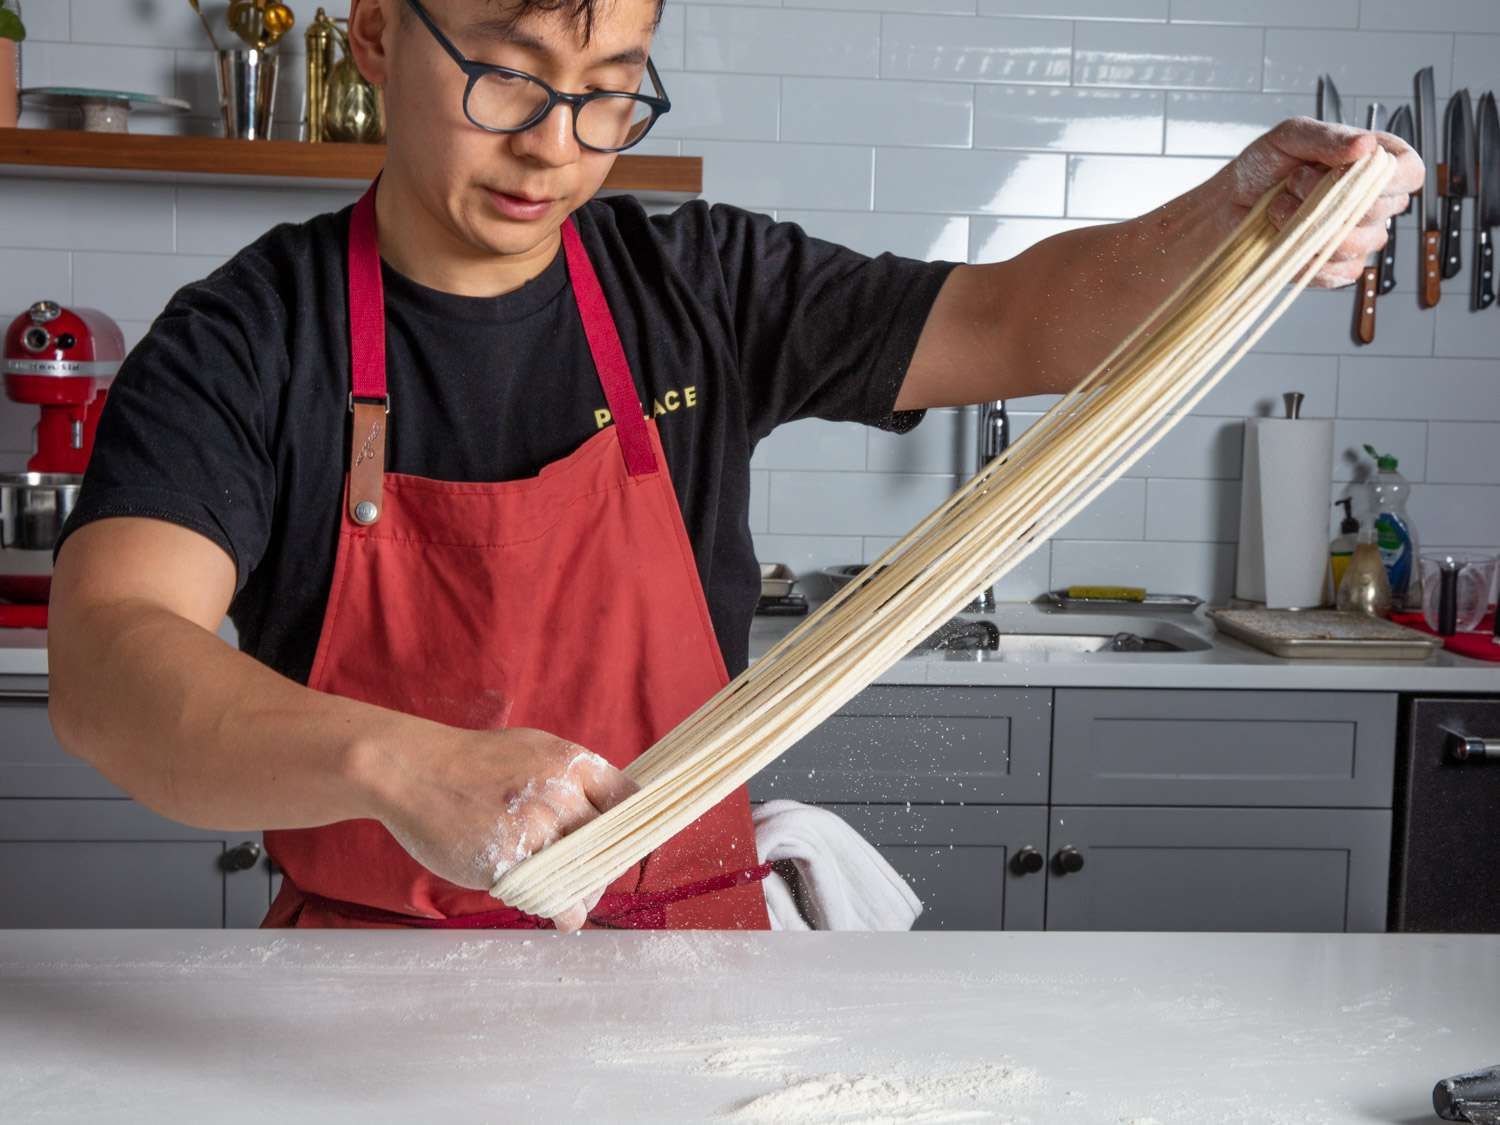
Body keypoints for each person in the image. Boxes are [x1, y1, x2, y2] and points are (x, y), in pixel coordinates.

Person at [45, 0, 1423, 932]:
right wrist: (398, 764)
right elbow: (110, 661)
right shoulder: (245, 339)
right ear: (371, 33)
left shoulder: (696, 284)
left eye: (605, 96)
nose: (555, 148)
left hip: (686, 980)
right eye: (509, 75)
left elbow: (1015, 316)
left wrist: (1239, 219)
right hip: (360, 998)